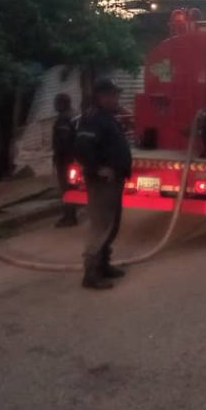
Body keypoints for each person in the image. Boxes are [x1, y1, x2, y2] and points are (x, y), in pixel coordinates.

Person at [75, 78, 132, 290]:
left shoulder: (107, 117)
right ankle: (91, 274)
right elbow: (82, 148)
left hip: (114, 178)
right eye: (113, 95)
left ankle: (104, 265)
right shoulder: (93, 118)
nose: (117, 98)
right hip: (101, 181)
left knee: (112, 223)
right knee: (100, 225)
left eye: (116, 95)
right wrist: (98, 168)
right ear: (102, 97)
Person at [52, 93, 79, 228]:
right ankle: (71, 215)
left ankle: (70, 217)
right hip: (75, 159)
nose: (54, 105)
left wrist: (58, 159)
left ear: (62, 103)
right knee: (72, 187)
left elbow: (64, 141)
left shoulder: (64, 119)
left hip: (66, 160)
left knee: (66, 189)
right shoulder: (75, 114)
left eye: (56, 102)